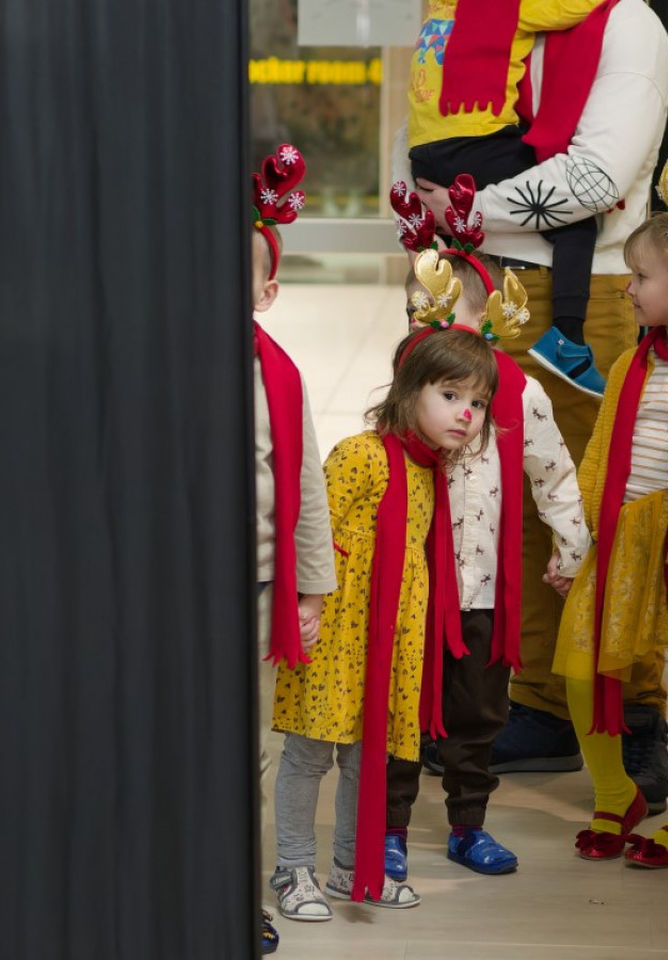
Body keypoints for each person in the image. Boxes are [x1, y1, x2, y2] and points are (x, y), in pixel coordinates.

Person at [403, 0, 668, 812]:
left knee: (603, 506)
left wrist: (462, 206)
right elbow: (423, 124)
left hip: (585, 293)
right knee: (498, 509)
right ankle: (536, 702)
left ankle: (630, 712)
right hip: (477, 280)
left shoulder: (628, 22)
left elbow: (597, 174)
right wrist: (428, 218)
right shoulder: (475, 14)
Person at [268, 321, 500, 918]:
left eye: (477, 402)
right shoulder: (361, 455)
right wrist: (302, 607)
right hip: (337, 633)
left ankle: (351, 867)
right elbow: (310, 533)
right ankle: (292, 866)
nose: (466, 414)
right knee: (310, 754)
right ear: (408, 389)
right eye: (450, 396)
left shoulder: (431, 472)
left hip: (389, 638)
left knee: (366, 757)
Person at [384, 246, 592, 881]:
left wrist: (571, 546)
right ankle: (388, 827)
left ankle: (468, 826)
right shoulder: (414, 389)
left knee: (479, 717)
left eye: (442, 315)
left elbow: (552, 472)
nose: (428, 330)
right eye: (418, 316)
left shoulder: (519, 392)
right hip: (413, 591)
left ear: (486, 318)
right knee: (402, 710)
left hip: (480, 597)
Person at [554, 152, 668, 867]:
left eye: (641, 278)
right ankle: (614, 790)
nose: (628, 289)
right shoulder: (632, 364)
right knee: (583, 668)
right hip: (621, 538)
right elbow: (598, 451)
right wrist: (586, 527)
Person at [407, 0, 609, 397]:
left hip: (424, 154)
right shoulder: (509, 6)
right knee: (574, 220)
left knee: (446, 247)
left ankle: (432, 335)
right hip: (475, 140)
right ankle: (567, 338)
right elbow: (573, 8)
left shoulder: (436, 13)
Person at [250, 143, 339, 954]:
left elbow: (307, 492)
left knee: (250, 756)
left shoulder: (280, 377)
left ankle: (240, 899)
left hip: (257, 591)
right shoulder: (159, 369)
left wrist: (310, 594)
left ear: (267, 290)